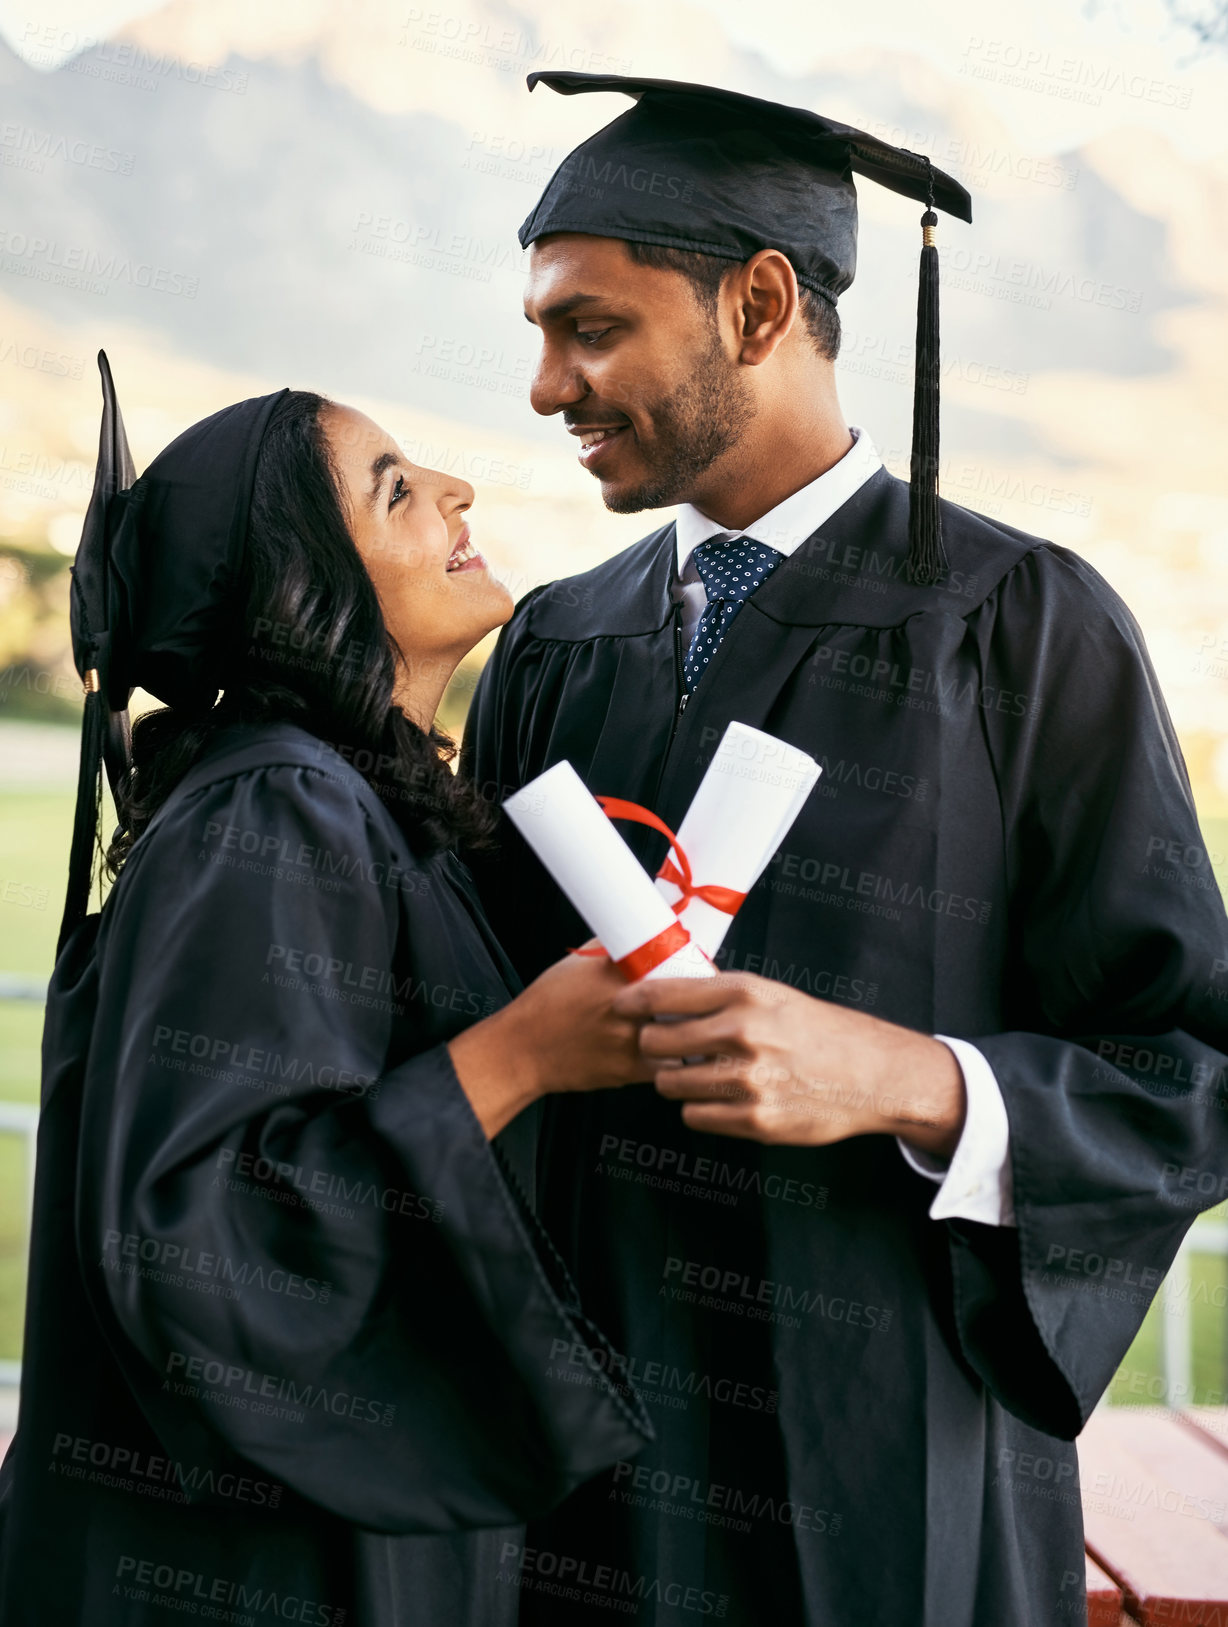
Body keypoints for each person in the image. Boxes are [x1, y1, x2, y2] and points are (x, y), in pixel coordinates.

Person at [461, 73, 1228, 1625]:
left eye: (590, 326)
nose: (546, 386)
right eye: (541, 332)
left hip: (889, 1476)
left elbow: (1191, 1066)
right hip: (573, 1488)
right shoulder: (554, 643)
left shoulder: (1021, 631)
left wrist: (910, 1078)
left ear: (758, 304)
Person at [0, 360, 656, 1626]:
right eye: (397, 491)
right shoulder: (277, 806)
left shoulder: (353, 800)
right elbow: (197, 1229)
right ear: (301, 587)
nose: (459, 489)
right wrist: (521, 1055)